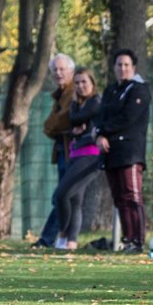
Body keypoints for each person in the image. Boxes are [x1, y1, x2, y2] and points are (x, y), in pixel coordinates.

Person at [96, 48, 151, 252]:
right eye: (119, 64)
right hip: (111, 152)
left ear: (133, 67)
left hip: (130, 152)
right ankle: (128, 239)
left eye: (126, 65)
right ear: (114, 68)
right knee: (119, 197)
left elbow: (128, 118)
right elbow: (100, 116)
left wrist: (102, 130)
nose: (123, 68)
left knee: (132, 195)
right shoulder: (110, 91)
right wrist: (99, 135)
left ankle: (138, 240)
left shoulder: (140, 89)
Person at [52, 66, 102, 250]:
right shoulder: (75, 103)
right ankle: (71, 242)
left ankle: (63, 233)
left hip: (91, 156)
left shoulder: (96, 101)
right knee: (75, 200)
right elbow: (73, 120)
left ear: (92, 84)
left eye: (84, 82)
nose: (81, 86)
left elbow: (78, 119)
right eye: (77, 82)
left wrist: (79, 125)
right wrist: (76, 128)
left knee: (61, 194)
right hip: (74, 153)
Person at [34, 53, 75, 248]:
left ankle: (50, 238)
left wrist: (55, 126)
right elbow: (48, 126)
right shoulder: (59, 95)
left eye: (62, 69)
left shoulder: (72, 92)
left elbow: (60, 121)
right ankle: (62, 238)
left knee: (62, 195)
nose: (58, 73)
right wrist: (54, 126)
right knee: (63, 196)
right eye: (55, 70)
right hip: (61, 150)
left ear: (71, 71)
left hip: (72, 151)